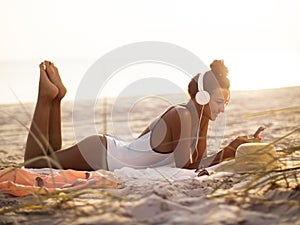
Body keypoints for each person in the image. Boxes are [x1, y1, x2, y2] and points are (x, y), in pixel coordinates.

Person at [24, 60, 260, 171]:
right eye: (220, 102)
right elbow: (185, 169)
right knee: (32, 165)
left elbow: (201, 163)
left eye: (225, 103)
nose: (223, 109)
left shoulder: (199, 121)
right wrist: (229, 150)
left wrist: (240, 147)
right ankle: (46, 97)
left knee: (47, 158)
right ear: (203, 97)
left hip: (107, 152)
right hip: (103, 155)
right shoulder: (183, 117)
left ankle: (56, 98)